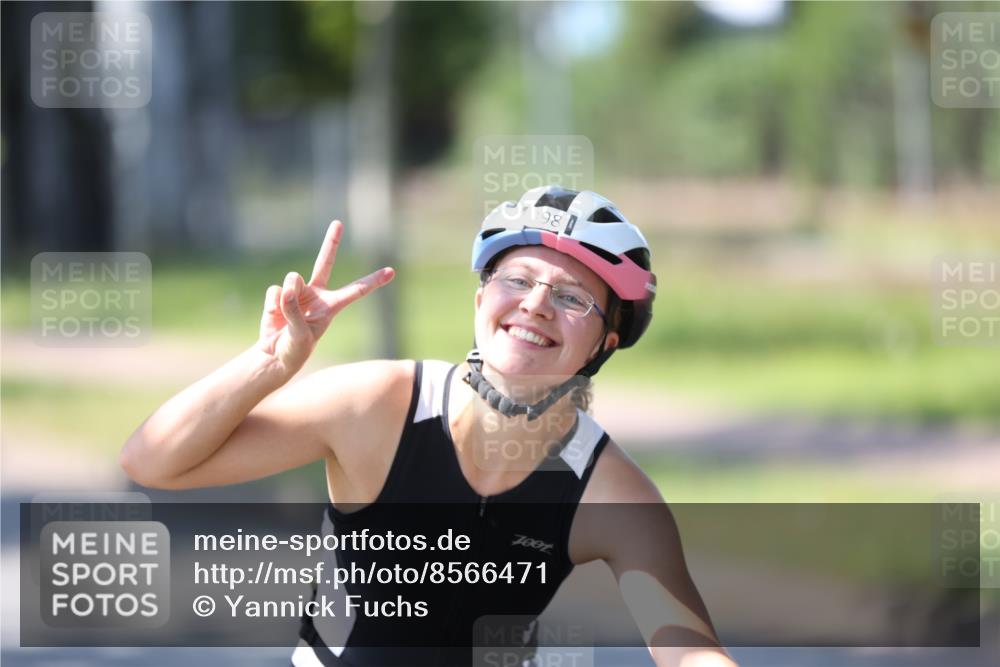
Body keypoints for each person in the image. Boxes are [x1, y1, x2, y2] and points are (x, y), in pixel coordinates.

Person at [120, 185, 738, 667]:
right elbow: (151, 461)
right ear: (480, 302)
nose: (536, 304)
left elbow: (688, 647)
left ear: (603, 344)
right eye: (517, 280)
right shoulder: (377, 405)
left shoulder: (610, 494)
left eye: (572, 296)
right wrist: (267, 364)